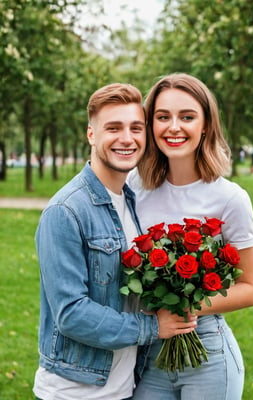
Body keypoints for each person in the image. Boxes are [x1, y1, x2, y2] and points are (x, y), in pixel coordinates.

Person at [33, 82, 197, 400]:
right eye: (113, 128)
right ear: (92, 135)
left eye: (136, 128)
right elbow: (71, 314)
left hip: (123, 387)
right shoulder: (65, 211)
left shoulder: (129, 200)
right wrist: (153, 328)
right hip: (75, 392)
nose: (126, 138)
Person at [127, 73, 253, 400]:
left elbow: (252, 288)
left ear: (205, 125)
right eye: (163, 117)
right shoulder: (133, 186)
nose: (174, 127)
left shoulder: (230, 198)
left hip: (207, 355)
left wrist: (185, 305)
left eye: (187, 117)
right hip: (148, 354)